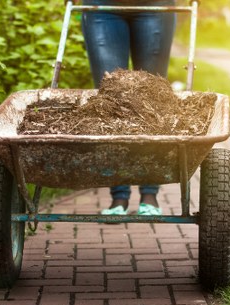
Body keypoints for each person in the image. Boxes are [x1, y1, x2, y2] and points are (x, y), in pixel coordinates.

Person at [80, 0, 176, 216]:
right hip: (102, 7)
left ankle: (149, 193)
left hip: (156, 6)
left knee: (152, 99)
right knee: (111, 99)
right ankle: (119, 196)